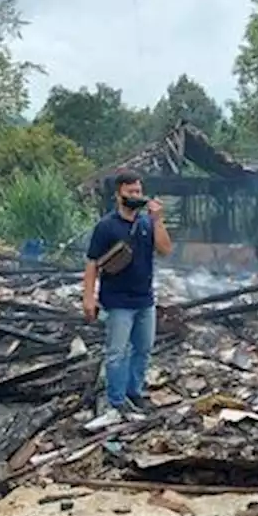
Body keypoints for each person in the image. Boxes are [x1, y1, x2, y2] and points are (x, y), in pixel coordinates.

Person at [83, 170, 173, 416]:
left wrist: (158, 220)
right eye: (130, 191)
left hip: (145, 299)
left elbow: (165, 250)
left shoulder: (146, 223)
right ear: (118, 194)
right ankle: (117, 398)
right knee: (117, 353)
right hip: (118, 301)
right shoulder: (106, 226)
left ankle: (135, 391)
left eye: (138, 191)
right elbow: (92, 263)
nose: (136, 195)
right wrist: (88, 298)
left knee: (143, 349)